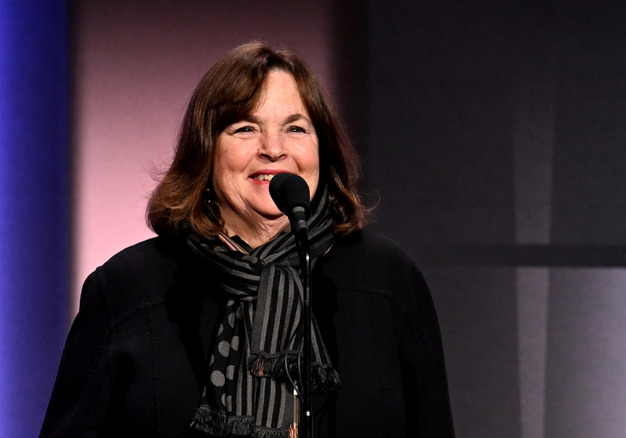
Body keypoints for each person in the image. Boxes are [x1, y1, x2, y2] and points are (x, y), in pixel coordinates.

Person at [40, 42, 454, 437]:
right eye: (244, 128)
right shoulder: (127, 289)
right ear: (206, 150)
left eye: (295, 128)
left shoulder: (386, 280)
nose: (273, 149)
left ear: (322, 148)